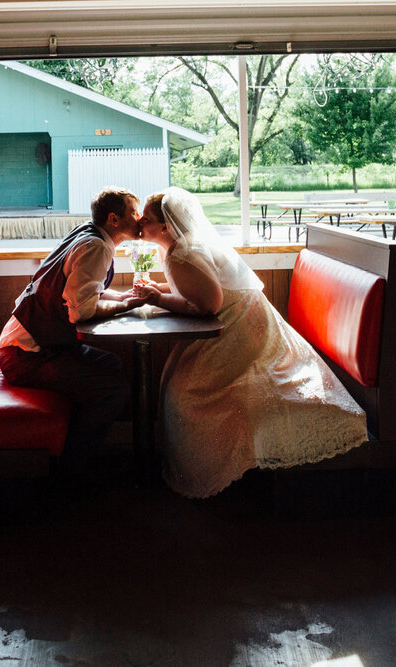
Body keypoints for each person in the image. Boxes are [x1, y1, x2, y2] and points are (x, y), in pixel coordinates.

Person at [133, 187, 368, 498]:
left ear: (165, 226)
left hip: (239, 327)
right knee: (177, 377)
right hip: (242, 318)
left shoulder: (182, 254)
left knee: (188, 392)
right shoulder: (179, 249)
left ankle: (209, 468)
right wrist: (160, 289)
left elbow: (208, 303)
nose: (139, 223)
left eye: (145, 219)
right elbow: (198, 284)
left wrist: (158, 297)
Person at [0, 185, 145, 474]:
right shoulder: (96, 247)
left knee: (112, 364)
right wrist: (128, 305)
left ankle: (82, 450)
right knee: (113, 389)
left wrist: (125, 297)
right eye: (134, 212)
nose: (140, 219)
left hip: (30, 344)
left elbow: (84, 292)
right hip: (26, 355)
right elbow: (82, 311)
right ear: (114, 220)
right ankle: (74, 468)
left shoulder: (88, 234)